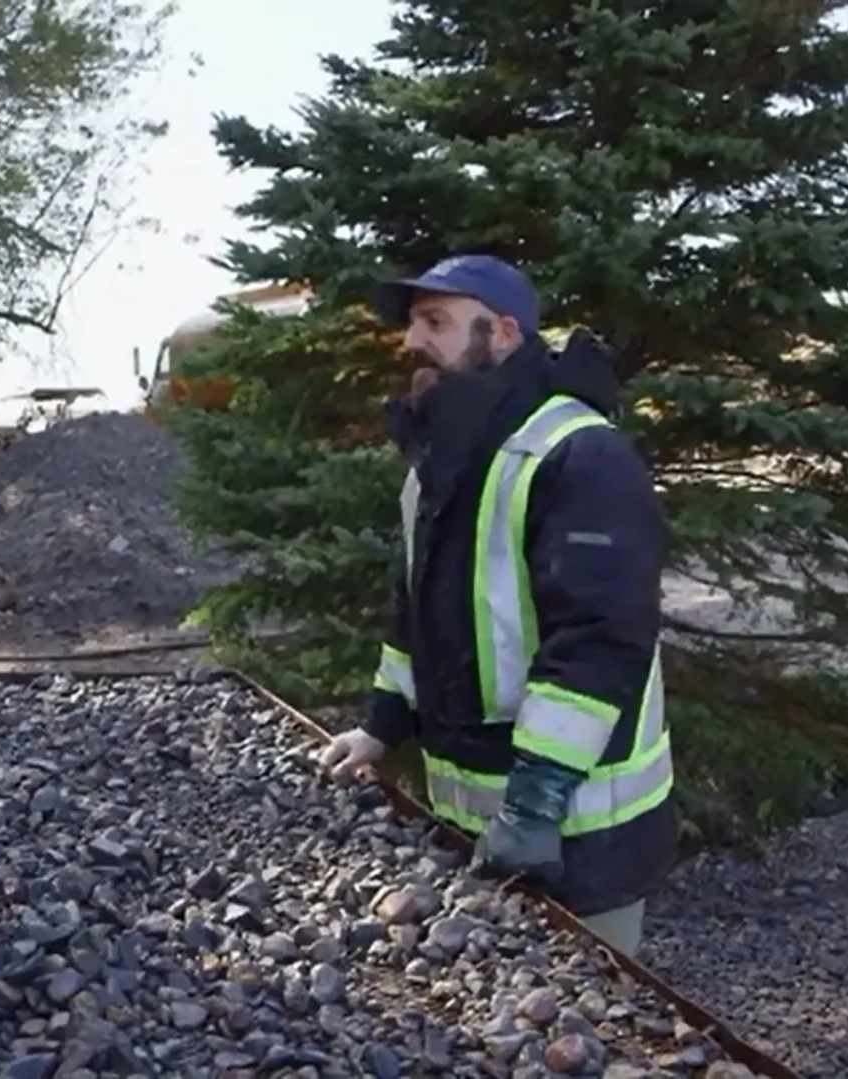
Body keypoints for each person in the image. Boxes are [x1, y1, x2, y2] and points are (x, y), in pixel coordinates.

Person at [318, 254, 675, 955]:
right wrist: (381, 728)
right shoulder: (441, 461)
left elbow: (599, 638)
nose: (413, 341)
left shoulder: (579, 452)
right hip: (474, 824)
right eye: (414, 323)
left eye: (437, 322)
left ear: (504, 333)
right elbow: (415, 615)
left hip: (581, 835)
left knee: (587, 1025)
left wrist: (535, 802)